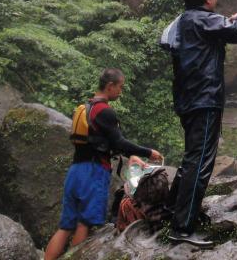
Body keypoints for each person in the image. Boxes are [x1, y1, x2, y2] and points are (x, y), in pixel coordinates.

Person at [159, 0, 237, 247]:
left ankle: (171, 210)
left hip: (188, 99)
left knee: (192, 159)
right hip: (204, 99)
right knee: (199, 163)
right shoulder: (203, 19)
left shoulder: (184, 20)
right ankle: (182, 228)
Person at [44, 68, 162, 260]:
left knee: (65, 227)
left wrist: (131, 156)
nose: (121, 92)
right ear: (110, 86)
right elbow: (119, 143)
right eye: (120, 87)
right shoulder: (105, 111)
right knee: (84, 224)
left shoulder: (85, 107)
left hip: (75, 171)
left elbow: (100, 143)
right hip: (93, 172)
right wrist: (148, 152)